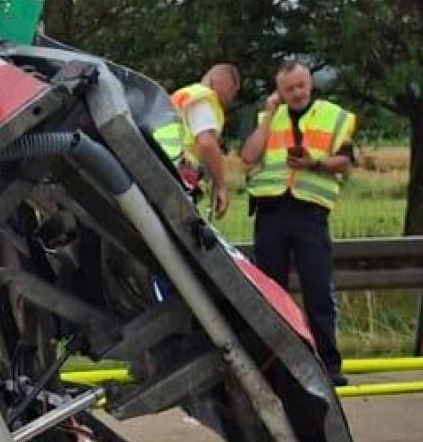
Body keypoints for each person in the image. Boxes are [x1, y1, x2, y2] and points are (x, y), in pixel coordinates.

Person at [241, 57, 359, 382]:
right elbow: (249, 157)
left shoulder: (332, 117)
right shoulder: (270, 117)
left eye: (301, 86)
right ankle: (272, 362)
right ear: (278, 91)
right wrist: (268, 117)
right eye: (289, 88)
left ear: (310, 84)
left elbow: (346, 162)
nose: (296, 93)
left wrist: (315, 163)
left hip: (309, 212)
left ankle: (328, 364)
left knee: (317, 289)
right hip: (272, 211)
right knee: (269, 291)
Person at [151, 63, 241, 220]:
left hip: (157, 165)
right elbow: (206, 143)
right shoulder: (205, 98)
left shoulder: (182, 96)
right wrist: (220, 186)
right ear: (218, 82)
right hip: (175, 174)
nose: (229, 99)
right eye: (232, 91)